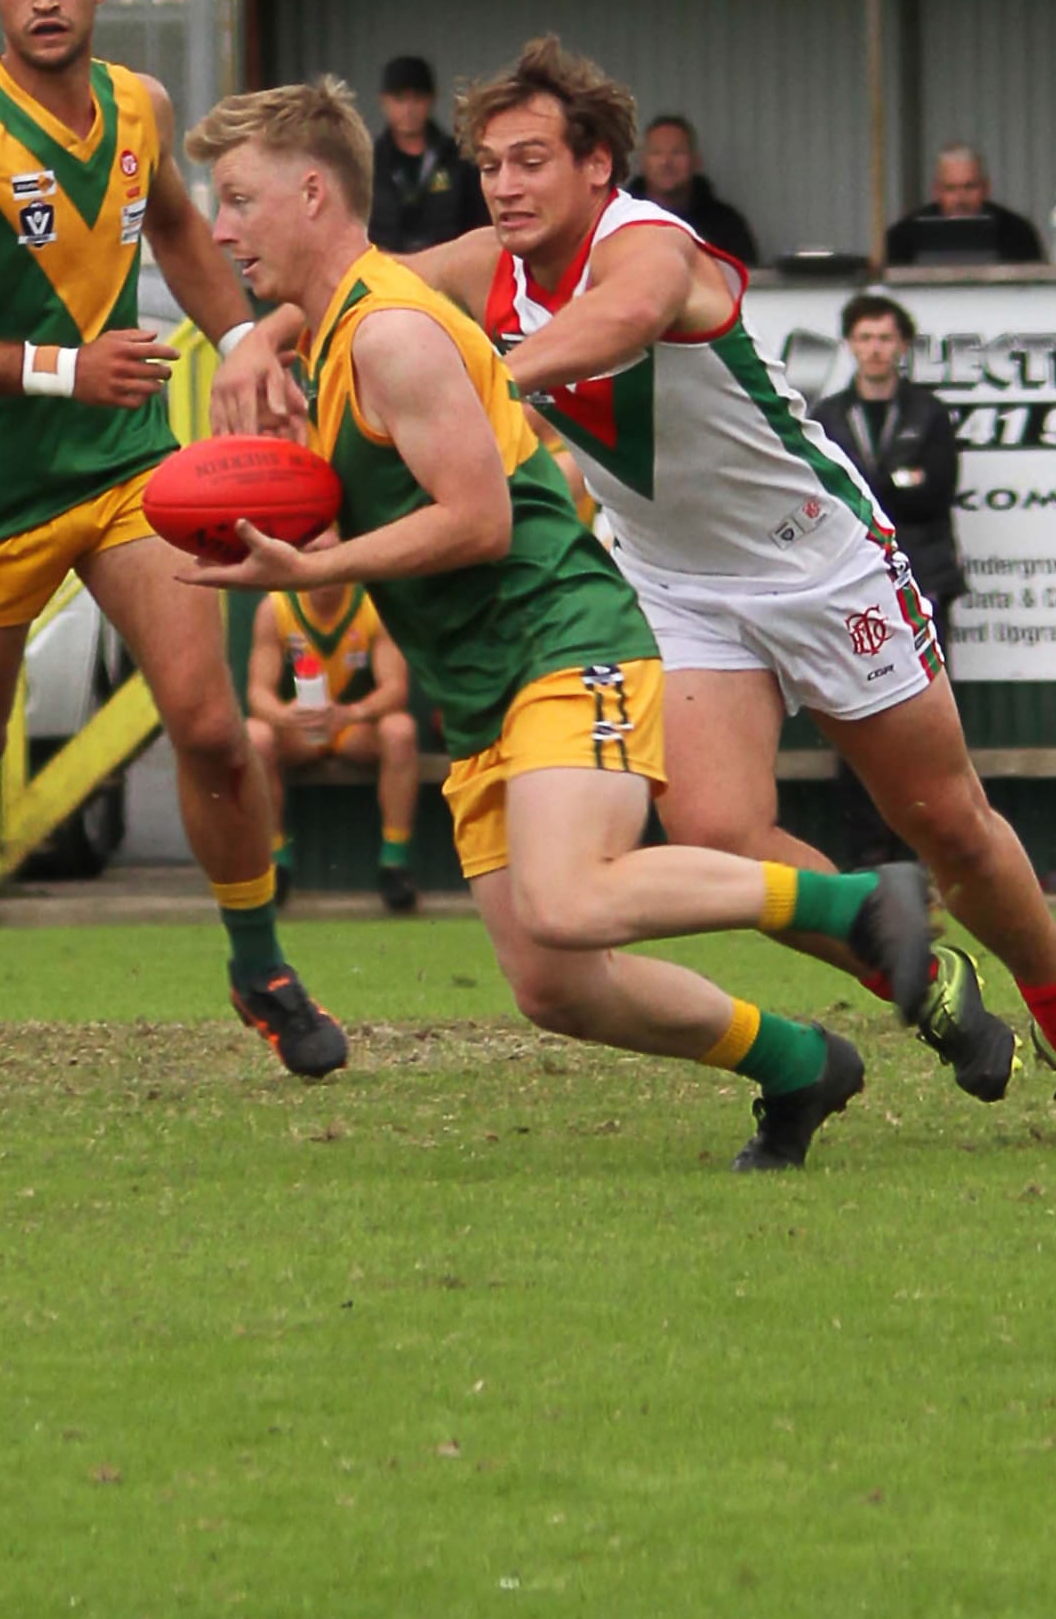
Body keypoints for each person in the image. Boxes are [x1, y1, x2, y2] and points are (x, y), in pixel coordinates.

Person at [219, 35, 1056, 1141]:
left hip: (814, 555)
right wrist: (256, 334)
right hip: (677, 580)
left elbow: (615, 325)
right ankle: (921, 982)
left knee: (944, 822)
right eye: (489, 164)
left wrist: (487, 375)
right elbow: (358, 285)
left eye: (530, 161)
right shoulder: (487, 263)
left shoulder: (651, 245)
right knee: (716, 830)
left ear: (597, 168)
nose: (505, 185)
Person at [192, 76, 936, 1174]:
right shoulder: (340, 328)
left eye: (239, 201)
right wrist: (255, 344)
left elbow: (479, 522)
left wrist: (312, 564)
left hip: (564, 639)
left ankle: (857, 900)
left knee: (570, 895)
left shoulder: (393, 333)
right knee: (553, 984)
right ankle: (794, 1064)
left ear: (310, 193)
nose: (217, 227)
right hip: (483, 681)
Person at [0, 0, 345, 1081]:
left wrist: (242, 343)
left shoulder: (139, 107)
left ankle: (258, 966)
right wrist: (62, 371)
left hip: (127, 476)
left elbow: (175, 227)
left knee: (212, 725)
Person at [810, 292, 967, 867]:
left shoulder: (929, 413)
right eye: (865, 338)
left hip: (923, 581)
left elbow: (934, 493)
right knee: (853, 719)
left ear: (902, 346)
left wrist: (876, 488)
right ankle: (864, 855)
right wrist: (894, 483)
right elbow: (824, 495)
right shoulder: (826, 415)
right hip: (846, 586)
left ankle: (919, 852)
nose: (876, 349)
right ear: (851, 345)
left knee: (923, 723)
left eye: (885, 338)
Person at [245, 583, 421, 911]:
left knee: (400, 730)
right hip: (299, 730)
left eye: (329, 552)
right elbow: (258, 694)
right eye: (312, 553)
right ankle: (276, 860)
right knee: (255, 736)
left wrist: (351, 713)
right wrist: (286, 715)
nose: (322, 570)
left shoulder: (372, 604)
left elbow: (396, 688)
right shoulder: (277, 608)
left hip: (352, 727)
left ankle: (395, 863)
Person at [368, 54, 489, 255]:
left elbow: (480, 224)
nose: (409, 109)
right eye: (399, 99)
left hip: (449, 273)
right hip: (385, 275)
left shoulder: (460, 159)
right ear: (384, 102)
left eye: (417, 98)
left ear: (432, 99)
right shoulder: (368, 163)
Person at [629, 114, 760, 265]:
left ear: (696, 161)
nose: (666, 162)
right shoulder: (618, 221)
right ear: (641, 163)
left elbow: (746, 281)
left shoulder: (726, 225)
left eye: (677, 152)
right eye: (656, 153)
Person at [884, 145, 1045, 267]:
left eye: (969, 187)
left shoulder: (1017, 232)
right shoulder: (903, 235)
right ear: (936, 191)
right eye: (951, 189)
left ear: (986, 188)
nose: (960, 199)